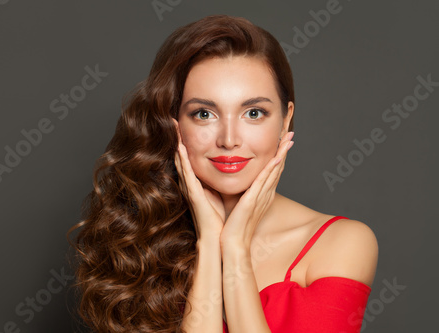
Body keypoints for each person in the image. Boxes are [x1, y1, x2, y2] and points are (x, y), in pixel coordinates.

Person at [67, 14, 378, 333]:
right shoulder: (144, 240)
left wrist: (235, 248)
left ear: (285, 121)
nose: (229, 139)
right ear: (174, 125)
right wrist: (209, 244)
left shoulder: (343, 243)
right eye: (204, 114)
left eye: (254, 113)